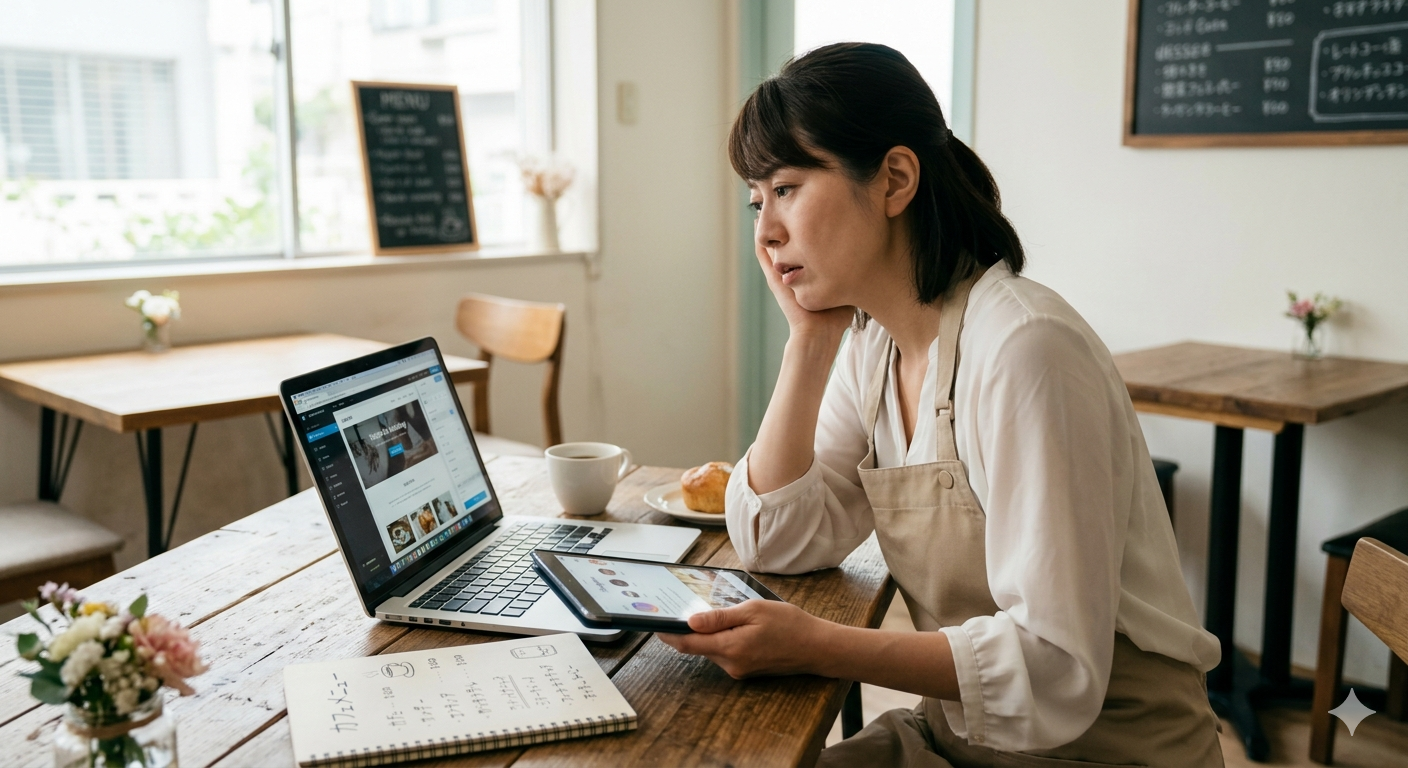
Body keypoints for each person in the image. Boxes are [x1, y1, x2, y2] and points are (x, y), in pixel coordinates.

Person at [657, 43, 1224, 766]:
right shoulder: (875, 345)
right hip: (962, 734)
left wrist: (821, 646)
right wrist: (807, 341)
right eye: (756, 201)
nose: (766, 234)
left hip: (1104, 750)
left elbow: (1055, 668)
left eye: (789, 188)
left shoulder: (1026, 349)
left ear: (895, 179)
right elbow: (780, 539)